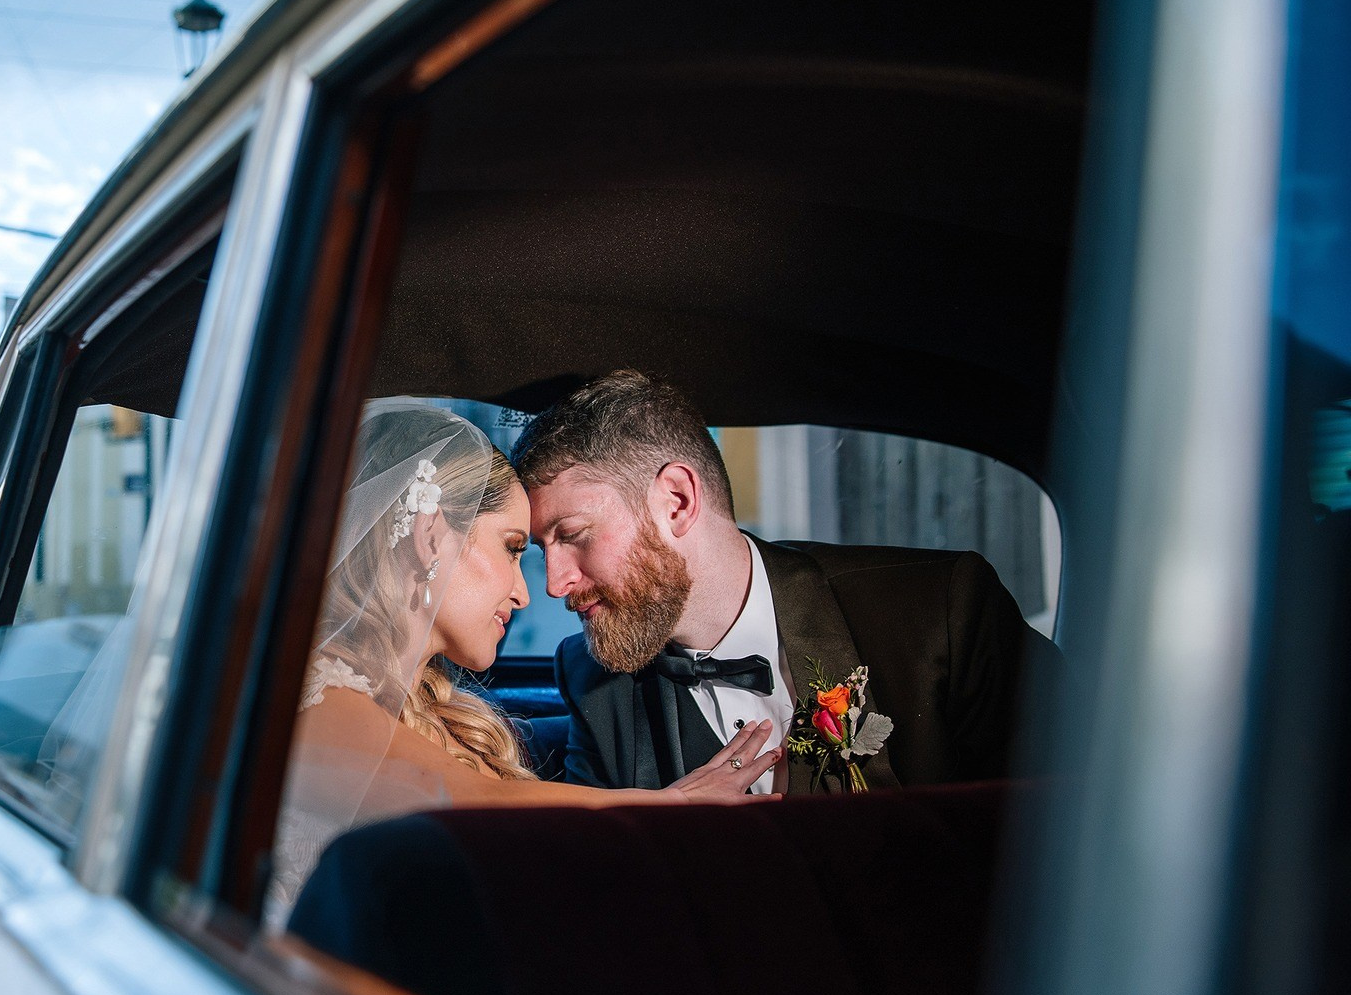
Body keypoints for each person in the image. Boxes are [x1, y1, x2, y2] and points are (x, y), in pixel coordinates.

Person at [268, 401, 779, 923]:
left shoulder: (439, 716)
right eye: (514, 548)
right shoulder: (307, 697)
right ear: (429, 538)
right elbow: (463, 798)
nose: (532, 592)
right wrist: (676, 809)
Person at [514, 370, 1052, 794]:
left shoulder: (943, 613)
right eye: (542, 550)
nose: (556, 585)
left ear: (676, 501)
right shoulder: (594, 682)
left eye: (575, 534)